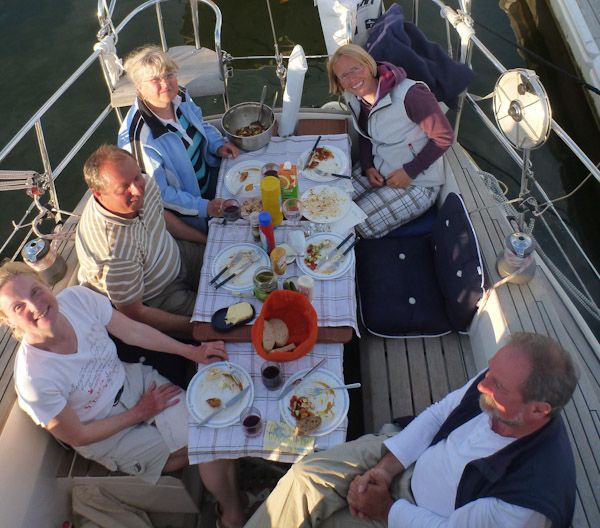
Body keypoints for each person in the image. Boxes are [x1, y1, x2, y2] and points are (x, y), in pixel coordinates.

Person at [0, 262, 247, 528]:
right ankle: (233, 516)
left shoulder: (77, 299)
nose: (34, 306)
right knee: (208, 444)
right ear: (8, 322)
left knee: (213, 433)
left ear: (45, 285)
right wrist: (139, 412)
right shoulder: (34, 377)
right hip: (104, 431)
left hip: (133, 382)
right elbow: (77, 435)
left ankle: (230, 498)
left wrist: (192, 352)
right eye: (18, 307)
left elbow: (133, 331)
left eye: (35, 291)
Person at [244, 332, 578, 528]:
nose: (482, 385)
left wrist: (386, 508)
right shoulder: (497, 380)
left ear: (538, 410)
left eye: (499, 387)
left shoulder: (529, 499)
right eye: (488, 372)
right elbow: (438, 415)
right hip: (406, 456)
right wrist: (385, 468)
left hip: (416, 516)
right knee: (304, 478)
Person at [76, 145, 204, 337]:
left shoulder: (145, 183)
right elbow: (135, 312)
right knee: (222, 319)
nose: (137, 190)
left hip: (176, 253)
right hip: (159, 296)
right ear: (98, 194)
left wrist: (207, 242)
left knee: (240, 264)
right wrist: (197, 328)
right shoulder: (113, 253)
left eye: (137, 177)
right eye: (124, 187)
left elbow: (162, 218)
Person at [328, 45, 454, 238]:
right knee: (330, 204)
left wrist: (409, 171)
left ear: (369, 65)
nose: (352, 79)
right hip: (380, 167)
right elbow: (364, 133)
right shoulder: (355, 97)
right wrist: (368, 166)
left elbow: (444, 136)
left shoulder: (411, 95)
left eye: (356, 69)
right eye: (343, 75)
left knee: (354, 225)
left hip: (418, 181)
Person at [118, 45, 240, 234]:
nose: (166, 84)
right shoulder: (140, 138)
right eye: (155, 80)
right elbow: (159, 195)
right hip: (190, 212)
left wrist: (218, 146)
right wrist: (204, 207)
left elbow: (201, 124)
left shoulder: (179, 96)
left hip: (214, 183)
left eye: (168, 75)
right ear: (139, 88)